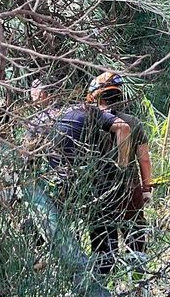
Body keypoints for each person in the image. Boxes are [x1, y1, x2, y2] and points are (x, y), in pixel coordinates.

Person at [40, 94, 132, 274]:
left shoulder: (39, 119)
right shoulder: (85, 110)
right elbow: (123, 128)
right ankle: (101, 281)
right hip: (92, 184)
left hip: (56, 186)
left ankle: (66, 274)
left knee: (55, 235)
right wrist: (122, 167)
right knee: (105, 243)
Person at [86, 72, 153, 258]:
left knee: (103, 247)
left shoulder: (89, 123)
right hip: (129, 189)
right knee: (135, 242)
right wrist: (147, 188)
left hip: (98, 192)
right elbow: (144, 159)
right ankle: (139, 283)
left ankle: (102, 283)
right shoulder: (133, 123)